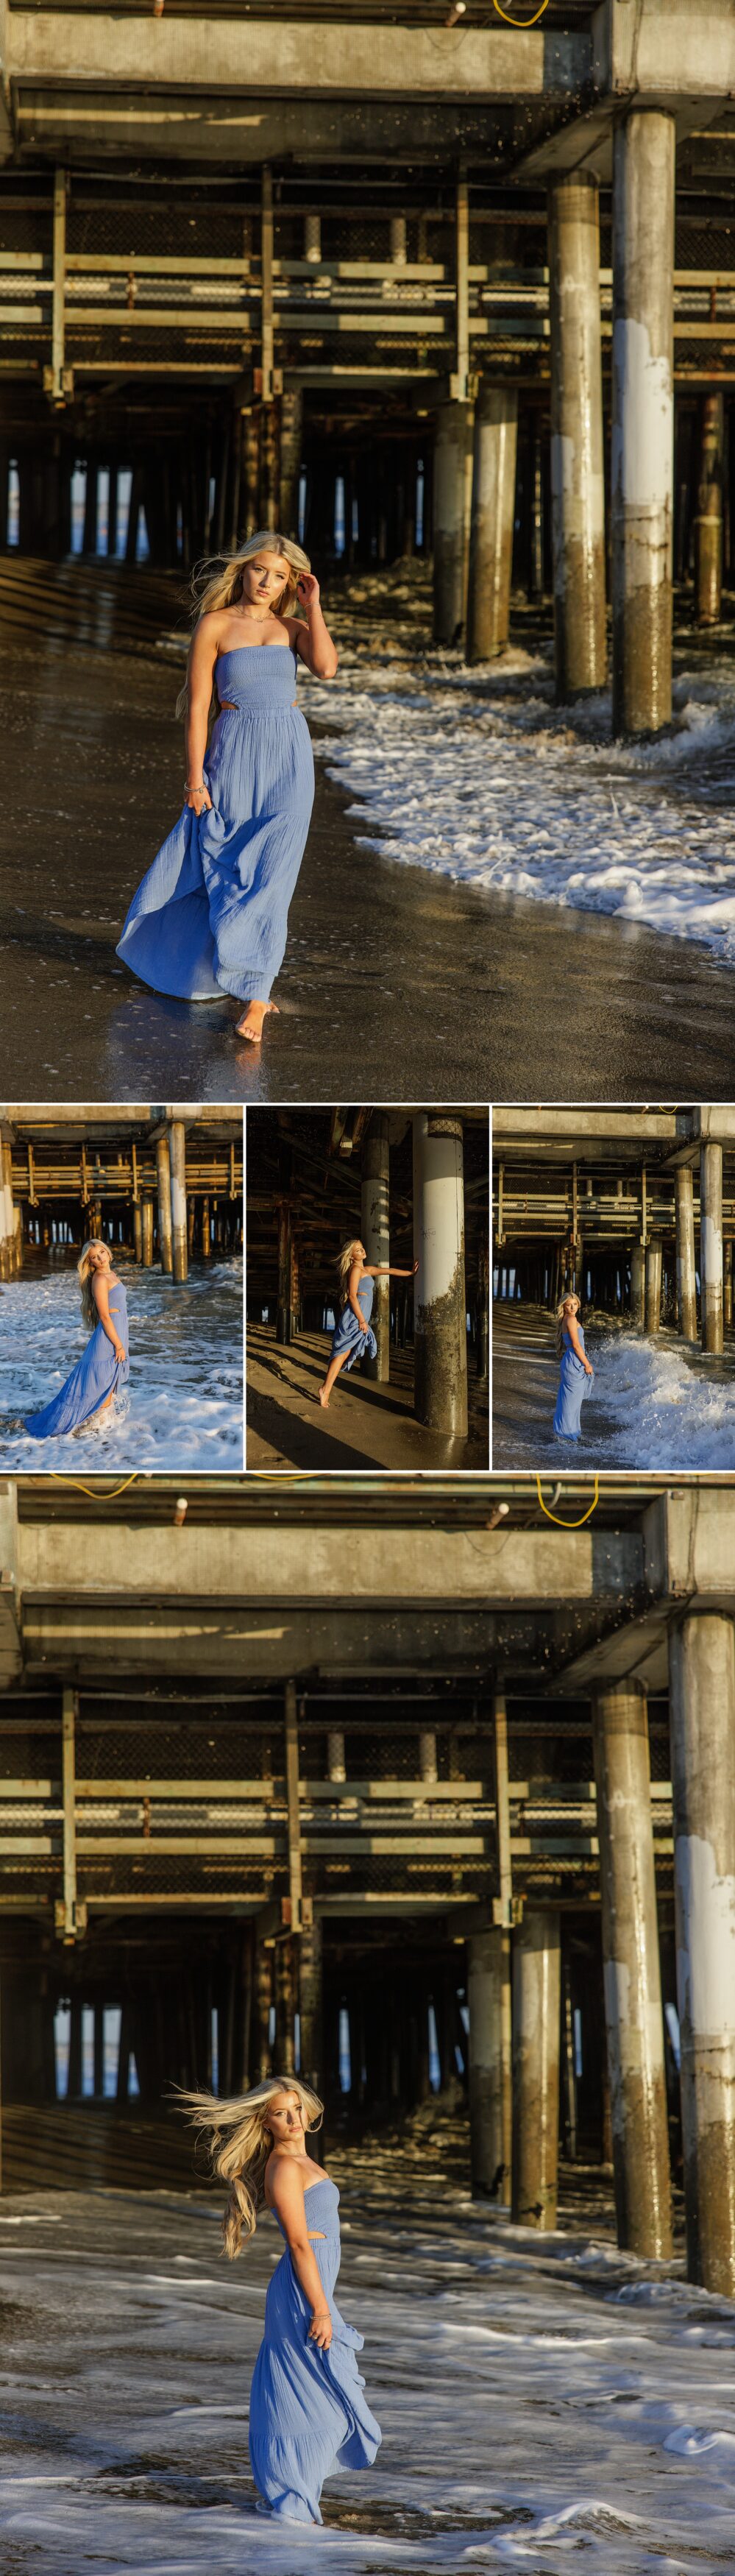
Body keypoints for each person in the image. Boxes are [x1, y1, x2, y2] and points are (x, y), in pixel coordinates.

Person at [116, 531, 338, 1045]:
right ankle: (228, 966)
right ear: (242, 570)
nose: (267, 582)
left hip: (287, 756)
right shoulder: (215, 625)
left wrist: (315, 607)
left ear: (292, 582)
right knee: (222, 862)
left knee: (273, 875)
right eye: (260, 570)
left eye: (279, 575)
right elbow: (197, 708)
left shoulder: (293, 627)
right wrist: (195, 779)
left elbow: (326, 668)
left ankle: (257, 994)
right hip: (232, 751)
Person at [181, 2076, 381, 2525]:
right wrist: (322, 2310)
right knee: (307, 2390)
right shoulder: (285, 2167)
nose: (294, 2120)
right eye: (281, 2114)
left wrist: (323, 2287)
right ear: (265, 2122)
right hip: (301, 2292)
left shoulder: (300, 2160)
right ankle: (291, 2499)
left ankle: (295, 2496)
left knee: (322, 2388)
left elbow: (311, 2233)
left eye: (297, 2109)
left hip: (314, 2287)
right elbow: (298, 2245)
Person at [24, 1241, 129, 1440]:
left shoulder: (112, 1275)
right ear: (90, 1262)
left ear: (107, 1250)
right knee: (100, 1382)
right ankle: (96, 1432)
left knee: (109, 1383)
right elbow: (104, 1316)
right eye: (95, 1257)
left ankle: (104, 1429)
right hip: (109, 1336)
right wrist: (118, 1345)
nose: (101, 1258)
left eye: (102, 1252)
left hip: (119, 1330)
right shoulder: (99, 1279)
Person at [318, 1237, 419, 1409]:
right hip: (356, 1316)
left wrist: (409, 1273)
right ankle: (325, 1390)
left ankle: (325, 1389)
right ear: (351, 1256)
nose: (362, 1251)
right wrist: (362, 1320)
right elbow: (351, 1296)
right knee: (341, 1353)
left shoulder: (366, 1269)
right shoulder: (355, 1270)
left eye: (362, 1248)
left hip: (360, 1315)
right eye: (357, 1250)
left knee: (343, 1353)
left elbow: (389, 1270)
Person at [553, 1292, 594, 1442]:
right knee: (571, 1401)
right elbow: (576, 1346)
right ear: (563, 1305)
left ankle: (569, 1432)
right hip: (574, 1361)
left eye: (575, 1304)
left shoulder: (566, 1319)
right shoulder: (570, 1319)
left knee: (571, 1400)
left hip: (571, 1360)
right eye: (569, 1304)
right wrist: (587, 1364)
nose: (572, 1307)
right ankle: (566, 1434)